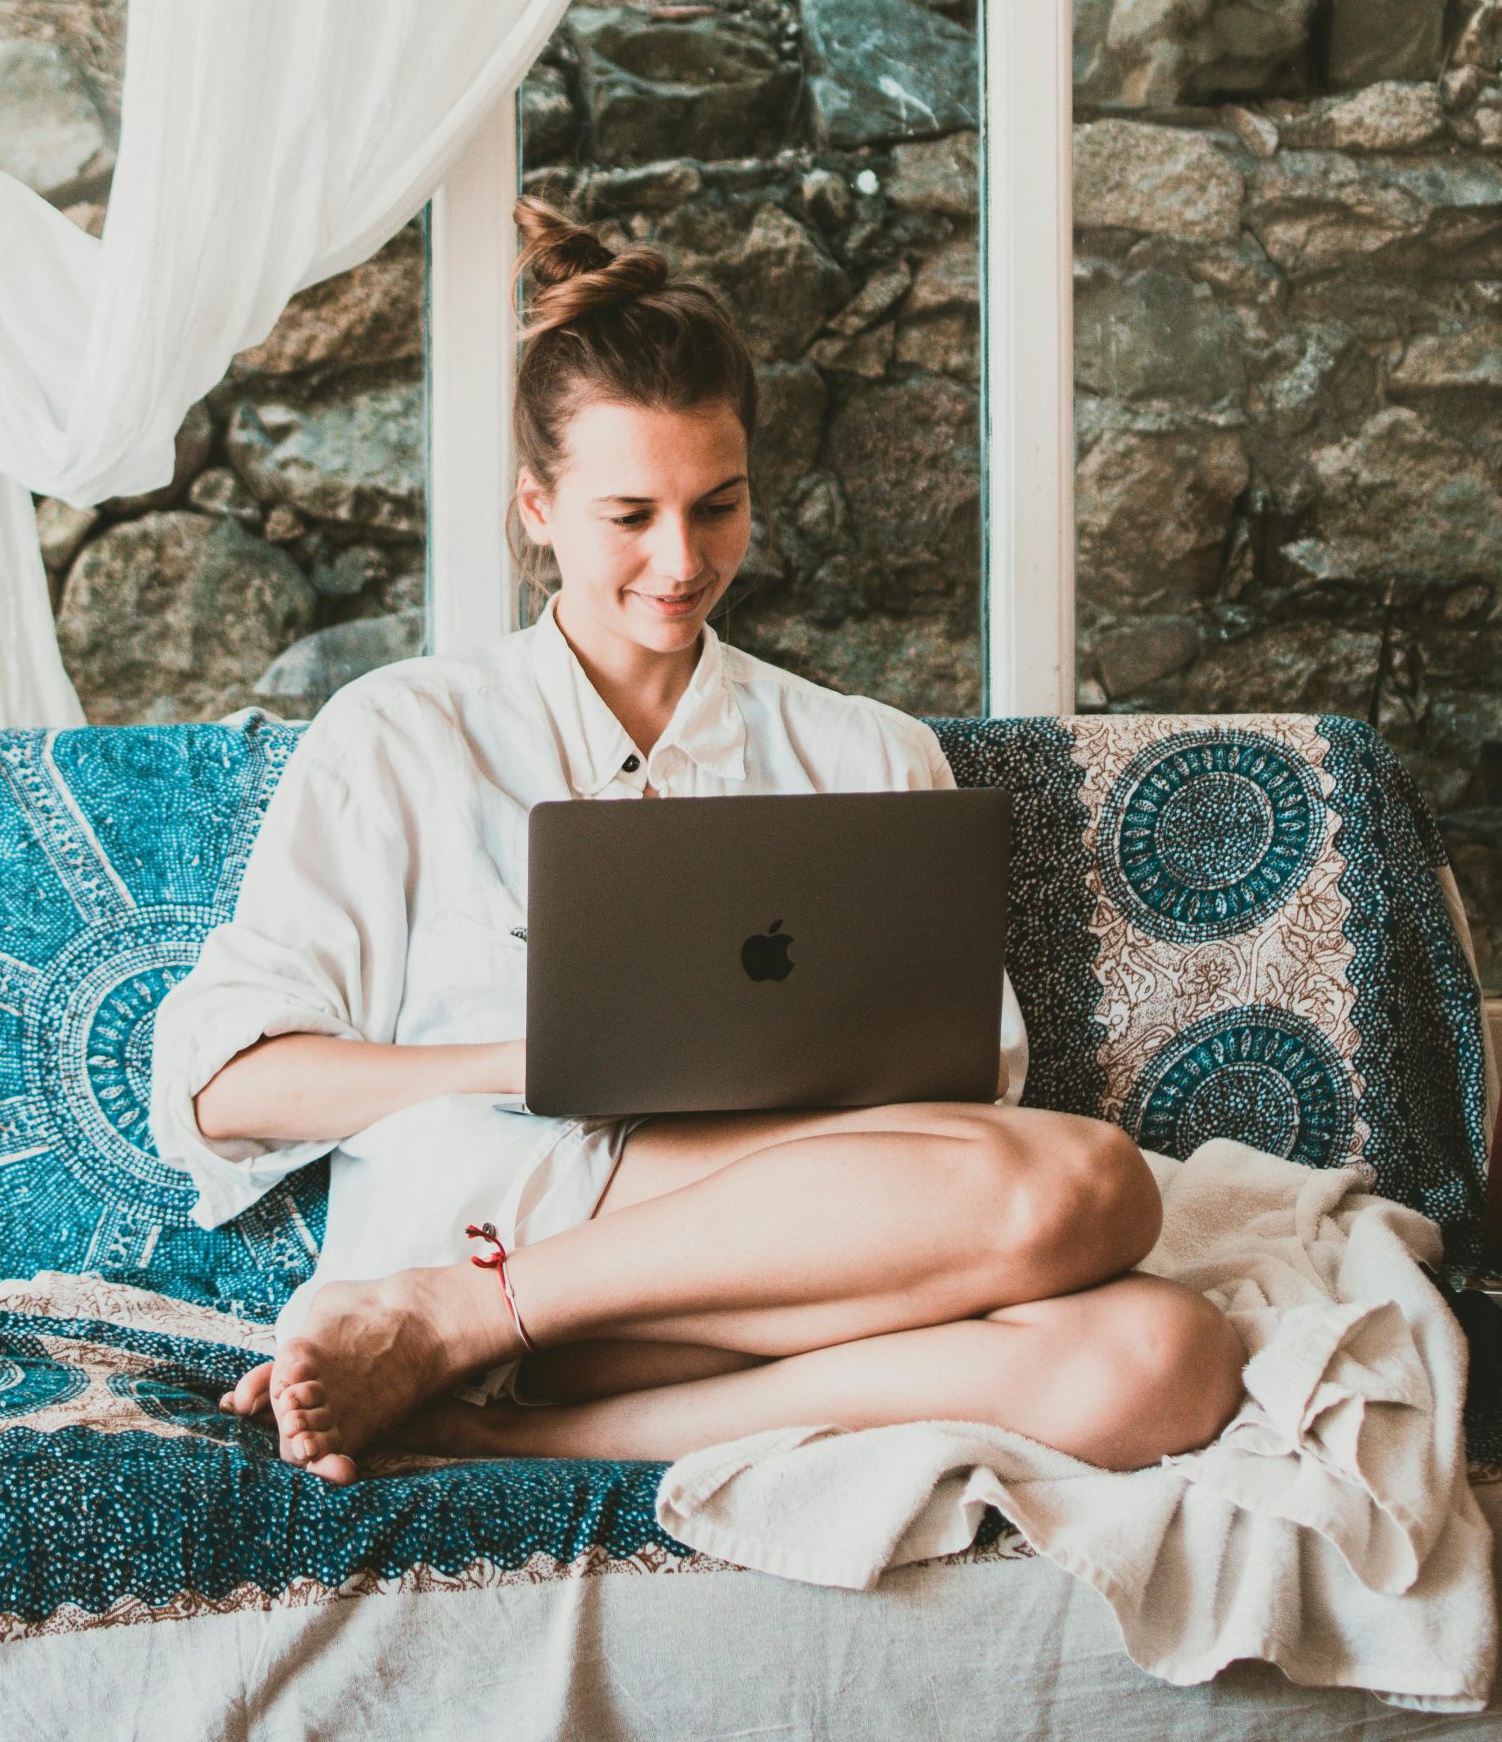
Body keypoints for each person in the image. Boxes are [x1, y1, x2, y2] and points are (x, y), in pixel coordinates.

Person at [151, 199, 1243, 1488]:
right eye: (630, 516)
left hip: (805, 1247)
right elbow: (219, 1088)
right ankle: (458, 1309)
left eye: (717, 507)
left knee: (1173, 1360)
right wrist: (536, 1057)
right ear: (537, 507)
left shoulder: (863, 752)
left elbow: (973, 1085)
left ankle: (509, 1428)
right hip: (523, 1213)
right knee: (1093, 1188)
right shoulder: (404, 735)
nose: (681, 561)